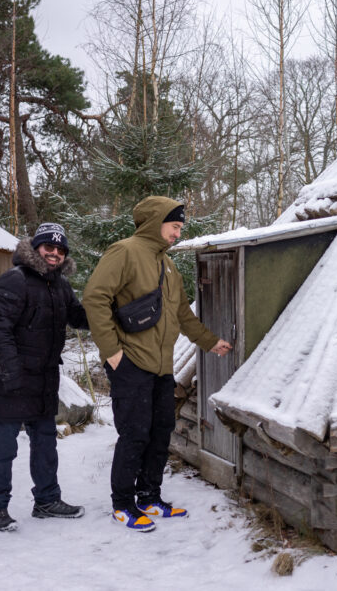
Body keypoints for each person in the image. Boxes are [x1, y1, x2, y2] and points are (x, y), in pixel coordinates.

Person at [83, 196, 232, 533]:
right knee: (134, 434)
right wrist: (112, 352)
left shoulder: (167, 264)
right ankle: (122, 504)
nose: (178, 233)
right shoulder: (125, 252)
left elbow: (181, 313)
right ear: (155, 221)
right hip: (131, 362)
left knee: (160, 432)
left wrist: (209, 342)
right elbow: (95, 298)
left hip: (161, 366)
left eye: (180, 227)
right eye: (175, 226)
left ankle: (149, 496)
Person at [0, 222, 90, 532]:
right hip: (9, 379)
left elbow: (79, 317)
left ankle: (47, 500)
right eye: (48, 248)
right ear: (36, 249)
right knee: (4, 446)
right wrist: (12, 376)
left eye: (60, 249)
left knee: (45, 442)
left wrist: (107, 305)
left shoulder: (61, 285)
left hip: (43, 378)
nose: (54, 253)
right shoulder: (14, 280)